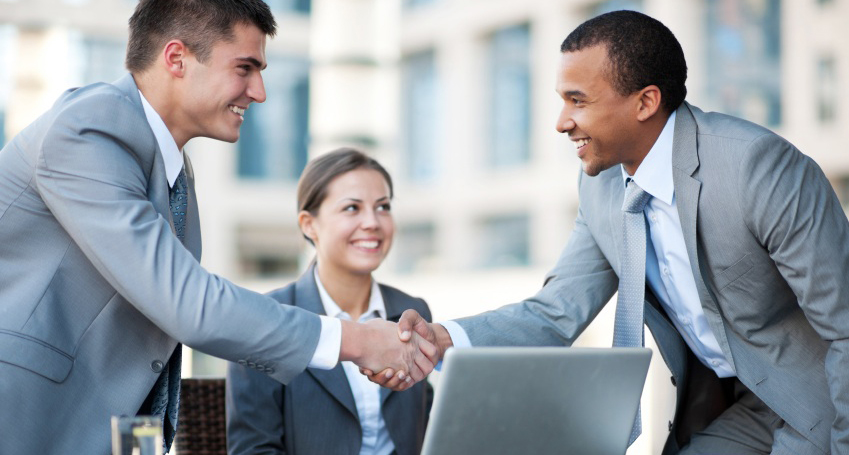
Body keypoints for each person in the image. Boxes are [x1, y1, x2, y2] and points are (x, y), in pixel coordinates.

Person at [368, 10, 849, 455]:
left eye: (578, 101)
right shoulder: (602, 189)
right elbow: (554, 313)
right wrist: (441, 337)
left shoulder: (758, 169)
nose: (561, 123)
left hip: (819, 401)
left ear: (645, 102)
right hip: (738, 408)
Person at [0, 1, 435, 453]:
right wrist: (358, 339)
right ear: (176, 58)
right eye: (245, 68)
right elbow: (188, 302)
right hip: (28, 424)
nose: (259, 91)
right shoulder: (87, 130)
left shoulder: (172, 168)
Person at [226, 148, 433, 455]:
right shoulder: (265, 320)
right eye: (352, 208)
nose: (372, 222)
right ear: (309, 224)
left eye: (383, 206)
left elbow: (430, 430)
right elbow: (253, 449)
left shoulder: (412, 311)